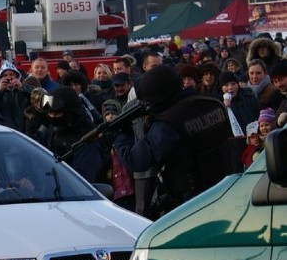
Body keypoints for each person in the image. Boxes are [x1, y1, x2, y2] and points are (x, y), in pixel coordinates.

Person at [113, 65, 240, 217]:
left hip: (191, 206)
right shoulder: (213, 102)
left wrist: (120, 136)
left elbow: (137, 160)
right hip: (226, 194)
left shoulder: (168, 124)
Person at [40, 86, 103, 183]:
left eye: (56, 114)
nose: (52, 117)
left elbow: (81, 180)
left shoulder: (88, 138)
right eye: (50, 113)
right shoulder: (50, 132)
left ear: (70, 113)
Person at [0, 61, 30, 131]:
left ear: (17, 76)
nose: (8, 78)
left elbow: (34, 97)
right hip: (4, 131)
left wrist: (22, 88)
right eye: (5, 75)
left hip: (23, 131)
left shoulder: (23, 89)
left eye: (11, 75)